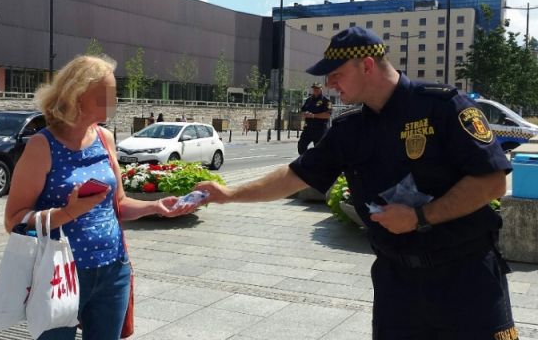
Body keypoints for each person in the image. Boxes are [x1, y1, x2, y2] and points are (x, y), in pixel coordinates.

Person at [196, 26, 516, 340]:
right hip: (398, 285)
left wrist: (420, 217)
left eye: (336, 75)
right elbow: (295, 175)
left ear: (366, 65)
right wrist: (229, 193)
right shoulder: (349, 129)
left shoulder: (443, 106)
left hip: (467, 279)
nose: (330, 85)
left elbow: (491, 181)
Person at [4, 55, 199, 340]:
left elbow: (117, 203)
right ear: (77, 97)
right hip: (59, 274)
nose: (114, 101)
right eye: (107, 94)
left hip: (112, 270)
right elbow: (14, 221)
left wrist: (155, 206)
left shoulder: (105, 138)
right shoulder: (41, 146)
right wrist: (68, 212)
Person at [297, 83, 331, 154]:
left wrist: (313, 116)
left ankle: (319, 164)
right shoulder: (309, 100)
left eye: (317, 88)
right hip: (308, 128)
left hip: (320, 129)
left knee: (319, 149)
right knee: (301, 146)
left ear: (321, 89)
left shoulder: (326, 101)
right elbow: (302, 111)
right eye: (314, 88)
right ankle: (305, 161)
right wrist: (304, 114)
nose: (315, 90)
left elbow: (327, 115)